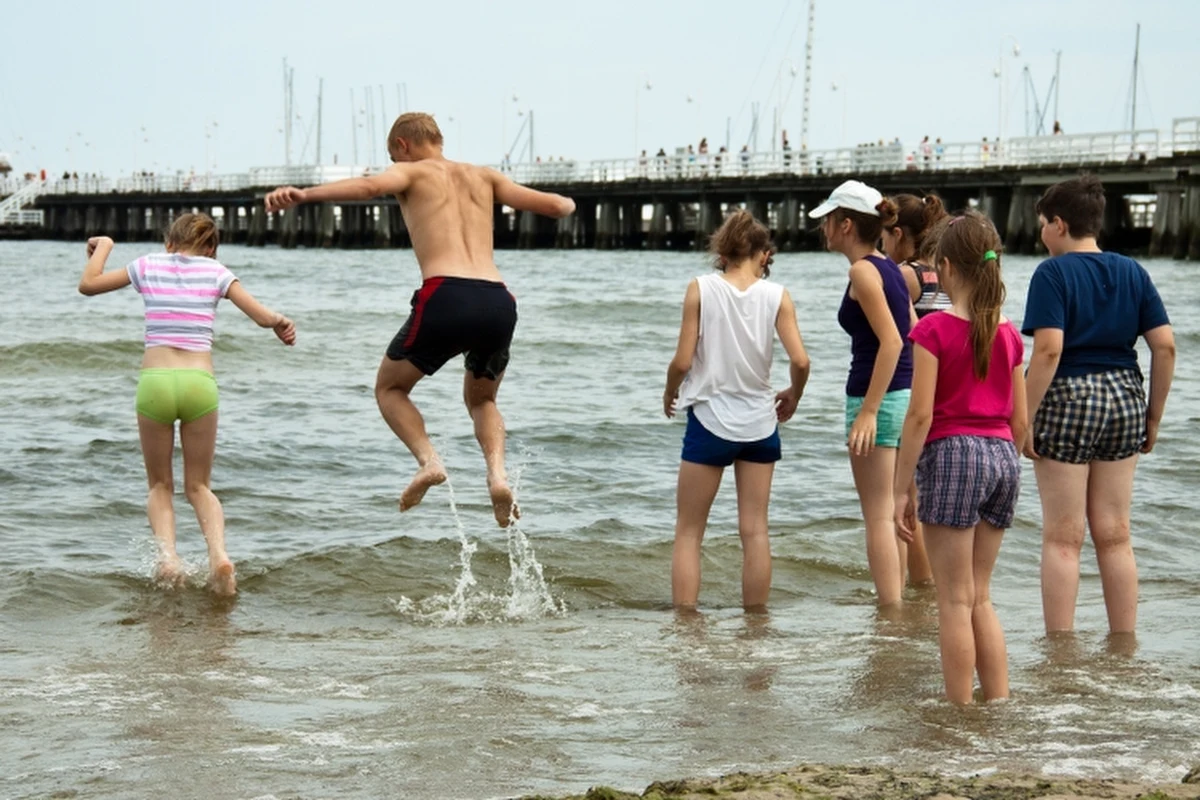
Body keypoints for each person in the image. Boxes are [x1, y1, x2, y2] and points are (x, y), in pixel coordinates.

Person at [265, 112, 575, 526]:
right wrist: (570, 202)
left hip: (446, 294)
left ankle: (429, 461)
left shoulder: (410, 172)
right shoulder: (485, 176)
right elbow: (556, 206)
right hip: (498, 301)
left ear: (402, 146)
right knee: (483, 399)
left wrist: (304, 196)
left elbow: (370, 186)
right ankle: (497, 476)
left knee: (389, 388)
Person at [77, 213, 296, 596]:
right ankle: (219, 556)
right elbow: (262, 316)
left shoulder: (146, 265)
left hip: (156, 383)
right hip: (199, 384)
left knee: (160, 484)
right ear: (211, 247)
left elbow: (88, 285)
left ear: (169, 243)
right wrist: (280, 322)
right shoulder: (217, 272)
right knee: (199, 485)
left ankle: (169, 559)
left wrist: (105, 246)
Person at [1022, 175, 1175, 635]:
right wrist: (1153, 414)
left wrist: (1022, 417)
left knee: (1063, 537)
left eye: (1043, 224)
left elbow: (1048, 351)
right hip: (1125, 396)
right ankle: (1124, 642)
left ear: (1060, 224)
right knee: (1115, 534)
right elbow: (1165, 347)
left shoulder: (1052, 273)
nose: (1041, 233)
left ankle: (1061, 650)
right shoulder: (1133, 270)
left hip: (1070, 396)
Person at [893, 210, 1027, 705]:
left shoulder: (933, 332)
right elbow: (1021, 423)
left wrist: (900, 489)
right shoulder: (1010, 335)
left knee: (952, 600)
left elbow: (919, 417)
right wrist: (1002, 461)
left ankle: (959, 710)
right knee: (981, 596)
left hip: (953, 455)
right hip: (1002, 458)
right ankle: (998, 701)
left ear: (945, 268)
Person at [664, 210, 810, 611]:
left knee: (689, 532)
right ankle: (755, 623)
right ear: (764, 254)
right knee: (756, 531)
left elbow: (681, 361)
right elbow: (801, 361)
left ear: (723, 250)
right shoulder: (777, 295)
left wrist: (669, 392)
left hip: (710, 420)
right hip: (760, 424)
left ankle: (686, 623)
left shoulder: (701, 289)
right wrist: (793, 395)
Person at [809, 181, 914, 607]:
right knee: (893, 511)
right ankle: (900, 603)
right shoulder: (888, 266)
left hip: (879, 398)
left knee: (877, 516)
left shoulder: (862, 272)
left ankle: (890, 615)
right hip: (902, 396)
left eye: (828, 221)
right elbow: (915, 328)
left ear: (846, 224)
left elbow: (893, 341)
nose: (824, 229)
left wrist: (869, 411)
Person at [879, 193, 950, 586]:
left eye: (886, 236)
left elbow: (903, 336)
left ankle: (917, 585)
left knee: (903, 497)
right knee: (919, 499)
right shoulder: (945, 271)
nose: (882, 243)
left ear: (899, 233)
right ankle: (925, 589)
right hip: (946, 390)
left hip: (916, 388)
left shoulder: (906, 275)